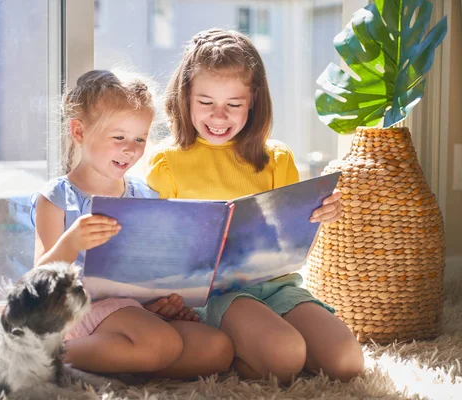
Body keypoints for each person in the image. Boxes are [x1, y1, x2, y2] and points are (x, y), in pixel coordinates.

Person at [146, 28, 364, 384]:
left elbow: (291, 234)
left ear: (253, 100)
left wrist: (323, 212)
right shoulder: (167, 161)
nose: (219, 117)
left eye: (233, 104)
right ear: (185, 97)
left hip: (277, 284)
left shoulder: (276, 157)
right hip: (214, 293)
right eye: (205, 103)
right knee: (284, 357)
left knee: (347, 362)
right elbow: (158, 246)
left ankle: (261, 342)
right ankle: (237, 351)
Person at [32, 69, 234, 379]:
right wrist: (71, 242)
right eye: (119, 137)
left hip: (131, 312)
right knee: (162, 343)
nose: (131, 149)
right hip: (79, 312)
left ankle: (121, 359)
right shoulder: (57, 197)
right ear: (79, 132)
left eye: (140, 138)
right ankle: (42, 359)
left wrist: (163, 302)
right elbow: (37, 283)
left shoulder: (143, 193)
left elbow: (154, 267)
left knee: (216, 348)